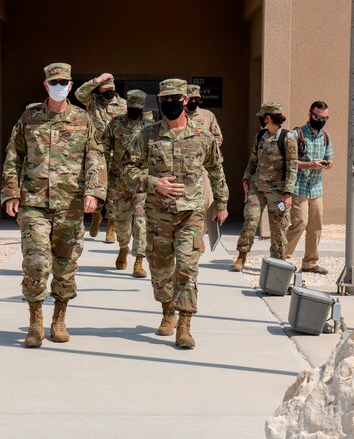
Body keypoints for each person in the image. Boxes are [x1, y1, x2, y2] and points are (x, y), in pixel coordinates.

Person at [1, 62, 107, 348]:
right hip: (34, 202)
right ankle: (35, 322)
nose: (60, 86)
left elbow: (95, 158)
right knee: (36, 263)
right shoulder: (29, 117)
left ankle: (59, 318)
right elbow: (14, 156)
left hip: (70, 204)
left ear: (71, 86)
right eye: (54, 82)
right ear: (46, 85)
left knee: (65, 265)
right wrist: (11, 192)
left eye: (64, 82)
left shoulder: (83, 120)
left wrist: (94, 192)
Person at [124, 79, 228, 349]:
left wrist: (221, 204)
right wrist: (153, 183)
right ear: (160, 102)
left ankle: (184, 323)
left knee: (186, 269)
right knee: (159, 271)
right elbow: (128, 171)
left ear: (185, 101)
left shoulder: (202, 135)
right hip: (158, 216)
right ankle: (167, 311)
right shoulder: (147, 136)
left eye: (175, 100)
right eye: (165, 100)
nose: (170, 105)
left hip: (190, 214)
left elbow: (216, 170)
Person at [231, 103, 297, 272]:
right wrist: (246, 178)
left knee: (278, 227)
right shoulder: (260, 136)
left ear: (268, 118)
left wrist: (288, 194)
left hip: (279, 194)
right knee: (250, 221)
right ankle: (241, 256)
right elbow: (253, 159)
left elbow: (292, 167)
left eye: (262, 117)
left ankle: (278, 263)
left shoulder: (287, 138)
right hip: (256, 188)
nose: (261, 120)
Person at [103, 90, 151, 277]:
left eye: (137, 108)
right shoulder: (115, 124)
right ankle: (123, 247)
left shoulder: (149, 127)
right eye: (131, 107)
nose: (133, 110)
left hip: (141, 181)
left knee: (140, 220)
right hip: (119, 180)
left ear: (143, 107)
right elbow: (105, 148)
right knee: (121, 221)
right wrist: (102, 173)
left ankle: (139, 260)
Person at [76, 73, 128, 243]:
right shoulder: (94, 102)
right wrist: (97, 80)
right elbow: (79, 94)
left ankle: (111, 225)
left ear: (115, 89)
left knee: (114, 189)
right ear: (100, 90)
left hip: (117, 154)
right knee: (96, 185)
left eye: (111, 90)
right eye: (105, 90)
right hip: (96, 152)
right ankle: (97, 216)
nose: (109, 93)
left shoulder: (125, 106)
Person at [285, 101, 334, 275]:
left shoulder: (325, 137)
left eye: (324, 118)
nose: (320, 120)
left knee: (316, 226)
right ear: (310, 114)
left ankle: (310, 262)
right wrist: (310, 165)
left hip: (316, 189)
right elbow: (289, 162)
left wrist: (326, 165)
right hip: (299, 188)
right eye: (317, 117)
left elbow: (331, 158)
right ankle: (282, 258)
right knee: (300, 223)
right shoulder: (295, 135)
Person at [186, 84, 223, 252]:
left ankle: (199, 237)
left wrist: (205, 145)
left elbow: (218, 137)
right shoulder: (179, 115)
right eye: (190, 99)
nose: (193, 102)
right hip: (185, 169)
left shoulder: (207, 116)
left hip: (204, 168)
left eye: (196, 99)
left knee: (206, 202)